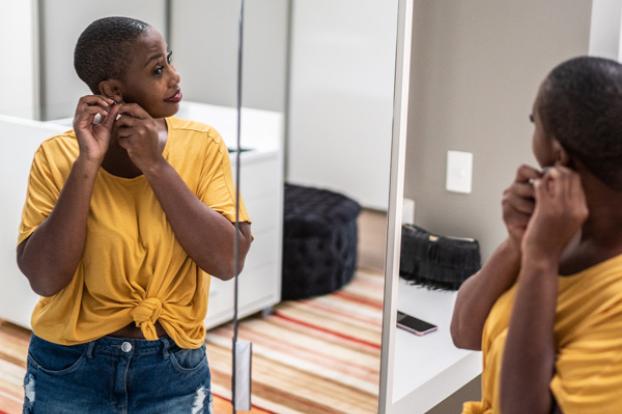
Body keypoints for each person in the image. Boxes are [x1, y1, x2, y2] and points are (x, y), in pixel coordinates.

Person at [16, 16, 253, 413]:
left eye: (169, 62)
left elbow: (227, 261)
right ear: (112, 89)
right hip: (69, 367)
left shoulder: (203, 145)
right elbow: (45, 277)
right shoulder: (56, 157)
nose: (175, 78)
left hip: (173, 368)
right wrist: (87, 163)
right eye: (158, 70)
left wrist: (156, 166)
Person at [451, 56, 622, 414]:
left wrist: (541, 260)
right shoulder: (561, 229)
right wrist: (519, 242)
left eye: (534, 122)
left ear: (558, 150)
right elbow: (464, 331)